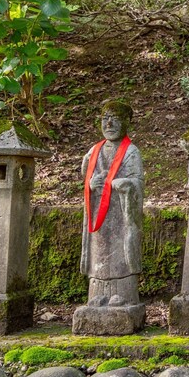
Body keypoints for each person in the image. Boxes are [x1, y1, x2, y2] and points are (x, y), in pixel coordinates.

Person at [80, 100, 144, 308]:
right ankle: (97, 294)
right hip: (99, 211)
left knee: (120, 253)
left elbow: (138, 181)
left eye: (114, 120)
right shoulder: (94, 150)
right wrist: (90, 184)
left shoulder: (131, 152)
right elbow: (85, 173)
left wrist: (127, 184)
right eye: (105, 119)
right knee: (99, 250)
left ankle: (123, 294)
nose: (108, 124)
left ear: (126, 122)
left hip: (120, 212)